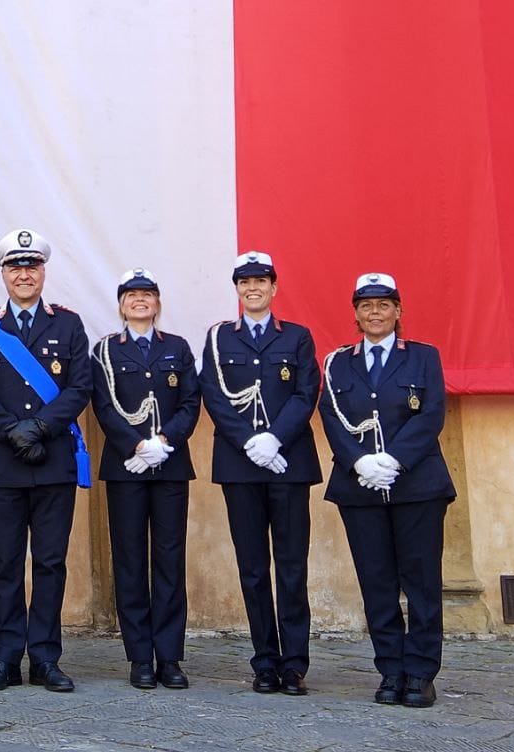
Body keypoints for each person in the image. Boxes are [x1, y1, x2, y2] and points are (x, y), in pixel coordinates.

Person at [0, 229, 92, 693]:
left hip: (53, 459)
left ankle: (45, 659)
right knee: (7, 563)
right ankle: (5, 658)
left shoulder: (68, 325)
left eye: (31, 266)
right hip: (3, 462)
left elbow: (80, 385)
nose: (24, 274)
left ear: (42, 272)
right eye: (15, 267)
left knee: (51, 563)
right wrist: (11, 430)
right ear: (3, 274)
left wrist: (41, 427)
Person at [318, 273, 455, 708]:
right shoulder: (338, 362)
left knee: (421, 583)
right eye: (365, 306)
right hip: (360, 488)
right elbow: (331, 414)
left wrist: (393, 460)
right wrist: (359, 461)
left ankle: (420, 673)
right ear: (356, 314)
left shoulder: (423, 357)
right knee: (376, 583)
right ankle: (391, 670)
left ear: (398, 311)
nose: (374, 312)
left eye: (383, 305)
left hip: (416, 485)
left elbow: (431, 413)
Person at [198, 251, 322, 696]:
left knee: (291, 566)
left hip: (288, 464)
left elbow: (307, 391)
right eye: (244, 281)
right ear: (236, 289)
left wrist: (275, 439)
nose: (252, 288)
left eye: (260, 281)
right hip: (239, 464)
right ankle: (264, 662)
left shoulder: (298, 337)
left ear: (273, 288)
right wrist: (251, 442)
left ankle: (294, 664)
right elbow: (212, 393)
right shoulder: (218, 339)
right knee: (252, 568)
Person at [91, 268, 200, 690]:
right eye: (132, 295)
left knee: (170, 562)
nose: (140, 300)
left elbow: (191, 400)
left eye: (147, 294)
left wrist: (165, 440)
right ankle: (139, 656)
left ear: (157, 303)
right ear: (121, 304)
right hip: (126, 468)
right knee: (131, 561)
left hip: (170, 465)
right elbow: (102, 406)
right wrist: (135, 446)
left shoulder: (177, 348)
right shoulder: (105, 351)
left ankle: (169, 656)